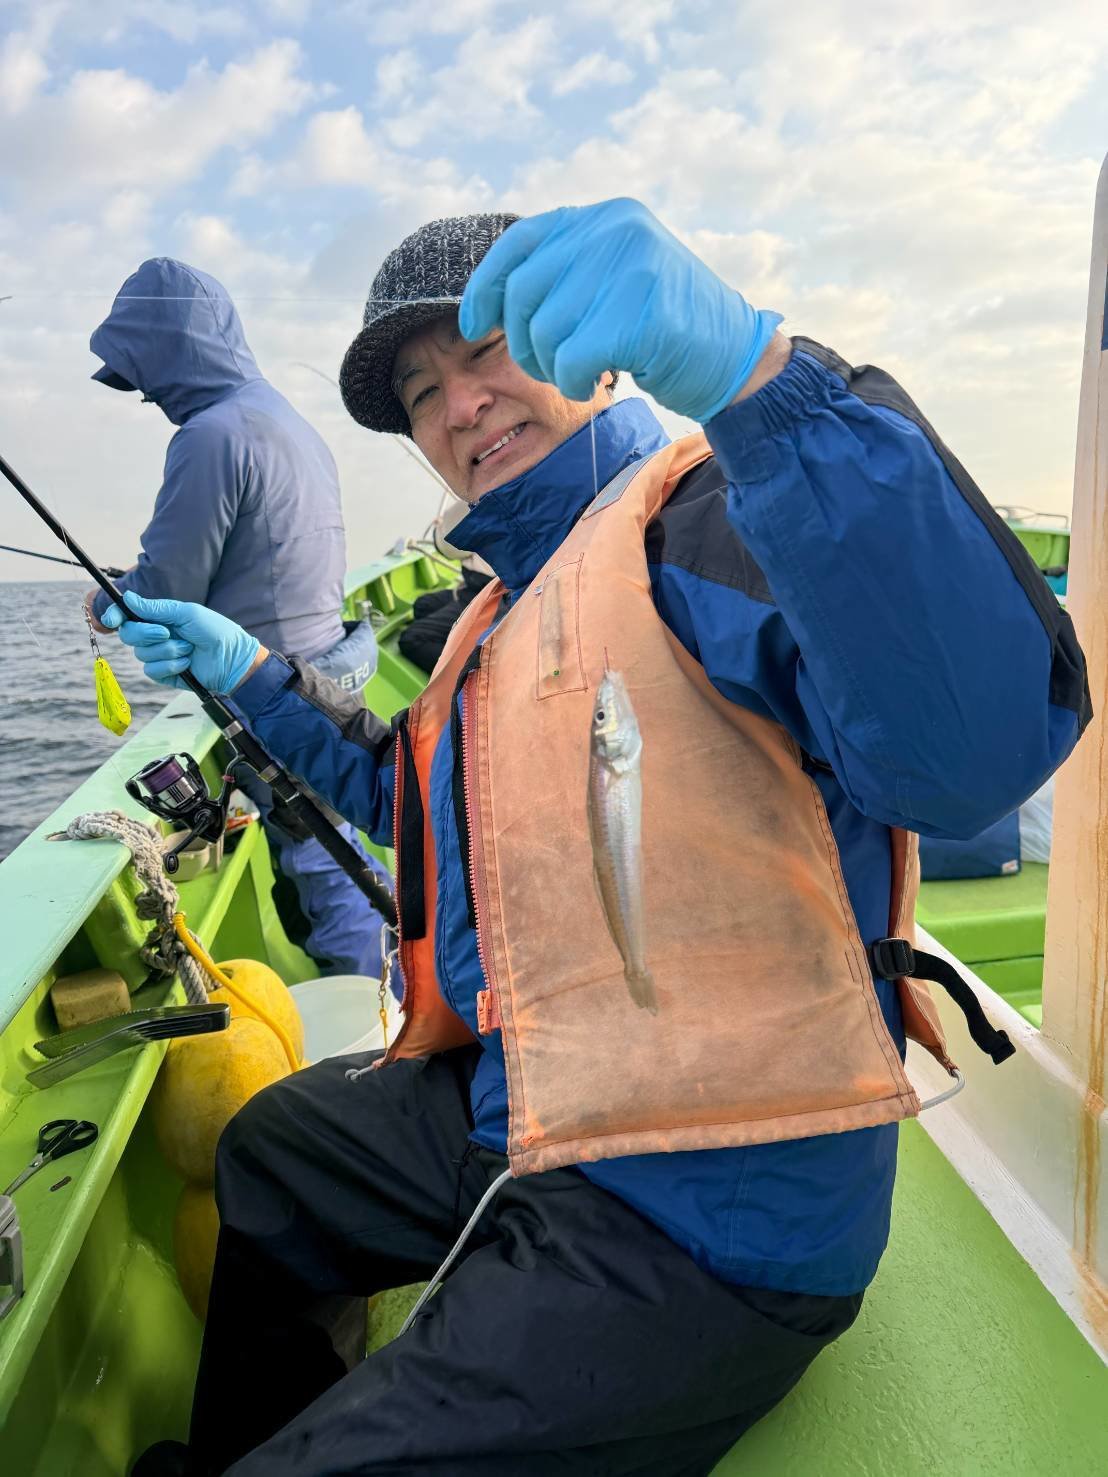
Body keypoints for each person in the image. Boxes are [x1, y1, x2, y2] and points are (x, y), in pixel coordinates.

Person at [118, 201, 1089, 1476]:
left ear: (594, 353)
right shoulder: (498, 609)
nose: (458, 406)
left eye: (483, 350)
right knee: (278, 1152)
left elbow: (966, 756)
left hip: (710, 1206)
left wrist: (760, 383)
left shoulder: (710, 521)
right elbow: (413, 802)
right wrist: (250, 673)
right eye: (421, 395)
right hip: (529, 1101)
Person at [86, 258, 391, 981]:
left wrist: (107, 599)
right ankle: (404, 968)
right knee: (341, 837)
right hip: (330, 673)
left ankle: (387, 1005)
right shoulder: (287, 420)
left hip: (271, 692)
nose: (146, 394)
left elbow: (167, 587)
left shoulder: (209, 435)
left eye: (144, 372)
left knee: (321, 862)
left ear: (169, 351)